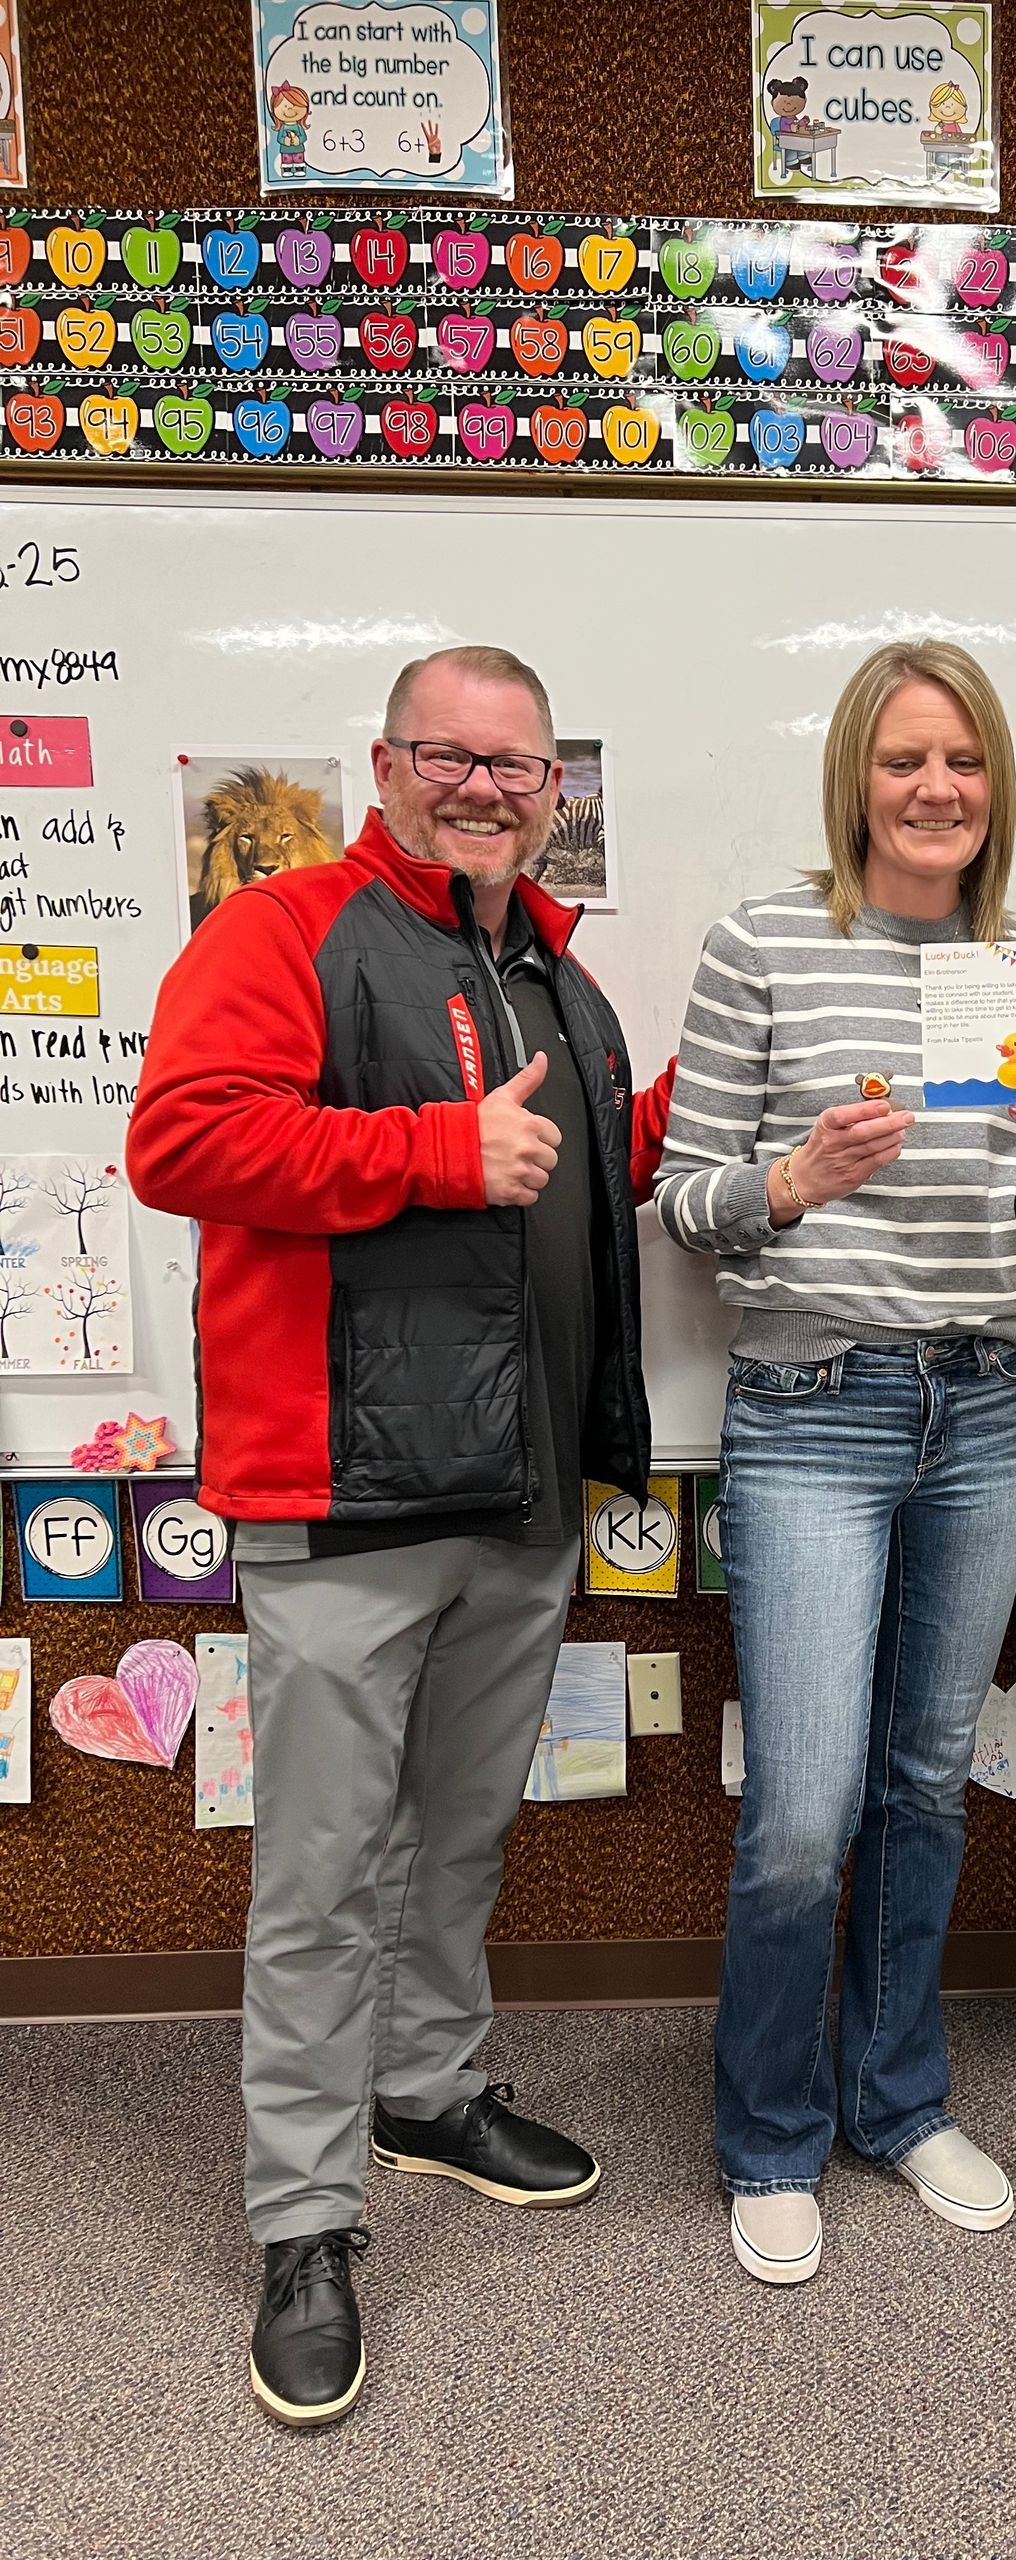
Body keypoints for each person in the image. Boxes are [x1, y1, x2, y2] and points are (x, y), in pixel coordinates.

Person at [127, 645, 674, 2427]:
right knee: (320, 1879)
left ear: (551, 790)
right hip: (342, 1497)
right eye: (454, 756)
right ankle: (302, 2219)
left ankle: (427, 2095)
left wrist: (724, 1134)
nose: (488, 788)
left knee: (456, 1840)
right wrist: (436, 1156)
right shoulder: (282, 928)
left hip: (516, 1494)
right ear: (388, 761)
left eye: (520, 767)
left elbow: (581, 1164)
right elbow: (185, 1140)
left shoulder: (557, 983)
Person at [655, 640, 1016, 2288]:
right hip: (814, 1412)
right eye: (906, 761)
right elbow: (683, 1203)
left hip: (990, 1404)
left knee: (929, 1782)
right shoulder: (766, 941)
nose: (937, 792)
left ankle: (896, 2100)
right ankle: (769, 2137)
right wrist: (792, 1178)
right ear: (856, 774)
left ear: (995, 787)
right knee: (800, 1813)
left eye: (965, 763)